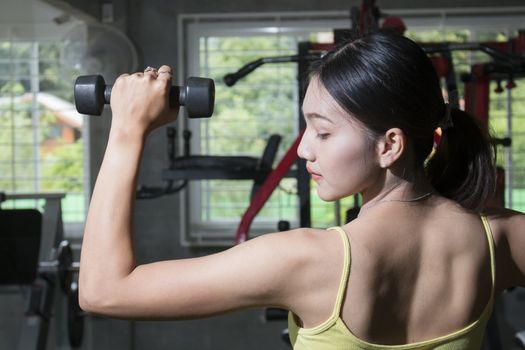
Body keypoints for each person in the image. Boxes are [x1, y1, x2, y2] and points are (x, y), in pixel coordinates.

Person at [79, 31, 525, 349]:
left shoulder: (305, 260)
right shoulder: (502, 239)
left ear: (390, 144)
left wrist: (127, 130)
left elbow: (103, 291)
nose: (305, 149)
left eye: (324, 133)